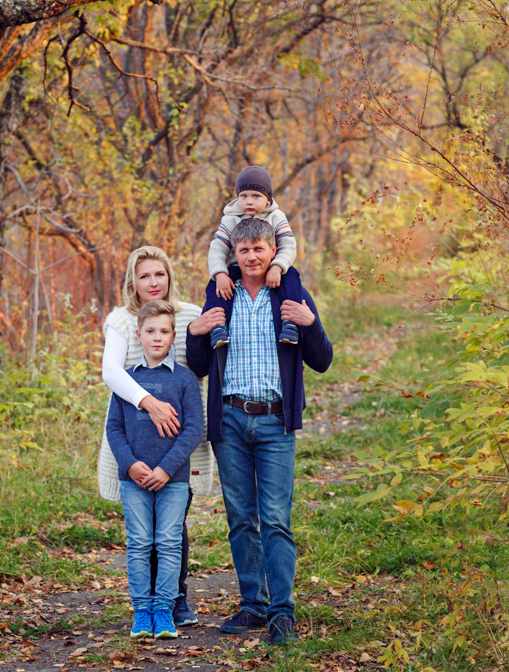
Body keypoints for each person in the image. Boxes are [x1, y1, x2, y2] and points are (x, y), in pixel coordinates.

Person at [186, 217, 333, 645]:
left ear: (273, 252)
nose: (251, 257)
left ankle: (281, 611)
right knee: (240, 518)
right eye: (243, 250)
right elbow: (198, 365)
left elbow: (322, 360)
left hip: (274, 421)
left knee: (274, 518)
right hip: (229, 420)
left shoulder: (289, 293)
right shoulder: (220, 294)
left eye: (259, 250)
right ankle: (252, 603)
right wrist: (196, 334)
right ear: (233, 254)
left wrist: (310, 322)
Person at [97, 245, 214, 627]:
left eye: (159, 274)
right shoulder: (121, 320)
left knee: (173, 527)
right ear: (133, 279)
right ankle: (144, 605)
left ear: (169, 277)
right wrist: (149, 403)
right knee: (141, 532)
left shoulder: (189, 315)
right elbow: (112, 373)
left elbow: (201, 365)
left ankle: (174, 599)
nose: (152, 282)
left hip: (178, 445)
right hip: (136, 439)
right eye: (144, 275)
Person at [106, 301, 204, 640]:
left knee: (168, 542)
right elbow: (114, 429)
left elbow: (194, 429)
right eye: (150, 331)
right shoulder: (127, 381)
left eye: (164, 331)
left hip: (173, 479)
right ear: (139, 335)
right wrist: (130, 464)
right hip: (133, 479)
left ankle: (164, 610)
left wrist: (165, 469)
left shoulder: (185, 379)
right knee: (139, 543)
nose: (157, 337)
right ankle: (142, 611)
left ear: (173, 336)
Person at [206, 165, 302, 348]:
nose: (249, 201)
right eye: (243, 196)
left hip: (271, 267)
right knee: (215, 286)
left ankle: (290, 323)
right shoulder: (230, 219)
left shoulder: (276, 216)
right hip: (237, 269)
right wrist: (220, 274)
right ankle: (218, 327)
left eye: (256, 196)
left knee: (291, 276)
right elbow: (217, 248)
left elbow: (288, 245)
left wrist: (277, 266)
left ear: (268, 199)